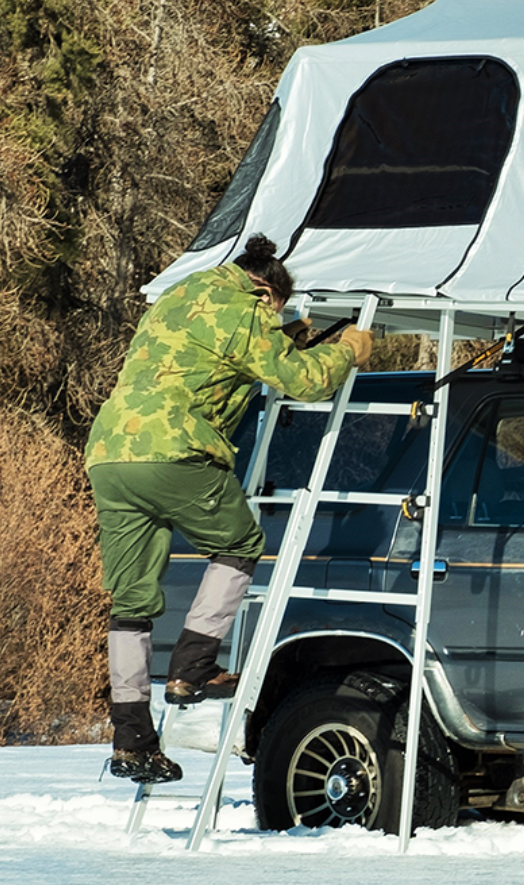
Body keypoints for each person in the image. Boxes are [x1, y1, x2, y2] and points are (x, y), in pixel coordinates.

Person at [85, 235, 373, 785]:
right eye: (279, 313)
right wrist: (348, 351)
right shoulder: (247, 309)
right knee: (241, 543)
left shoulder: (180, 295)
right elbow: (305, 381)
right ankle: (192, 670)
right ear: (268, 292)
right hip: (173, 451)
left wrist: (284, 337)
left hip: (110, 455)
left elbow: (210, 359)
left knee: (131, 600)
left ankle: (132, 740)